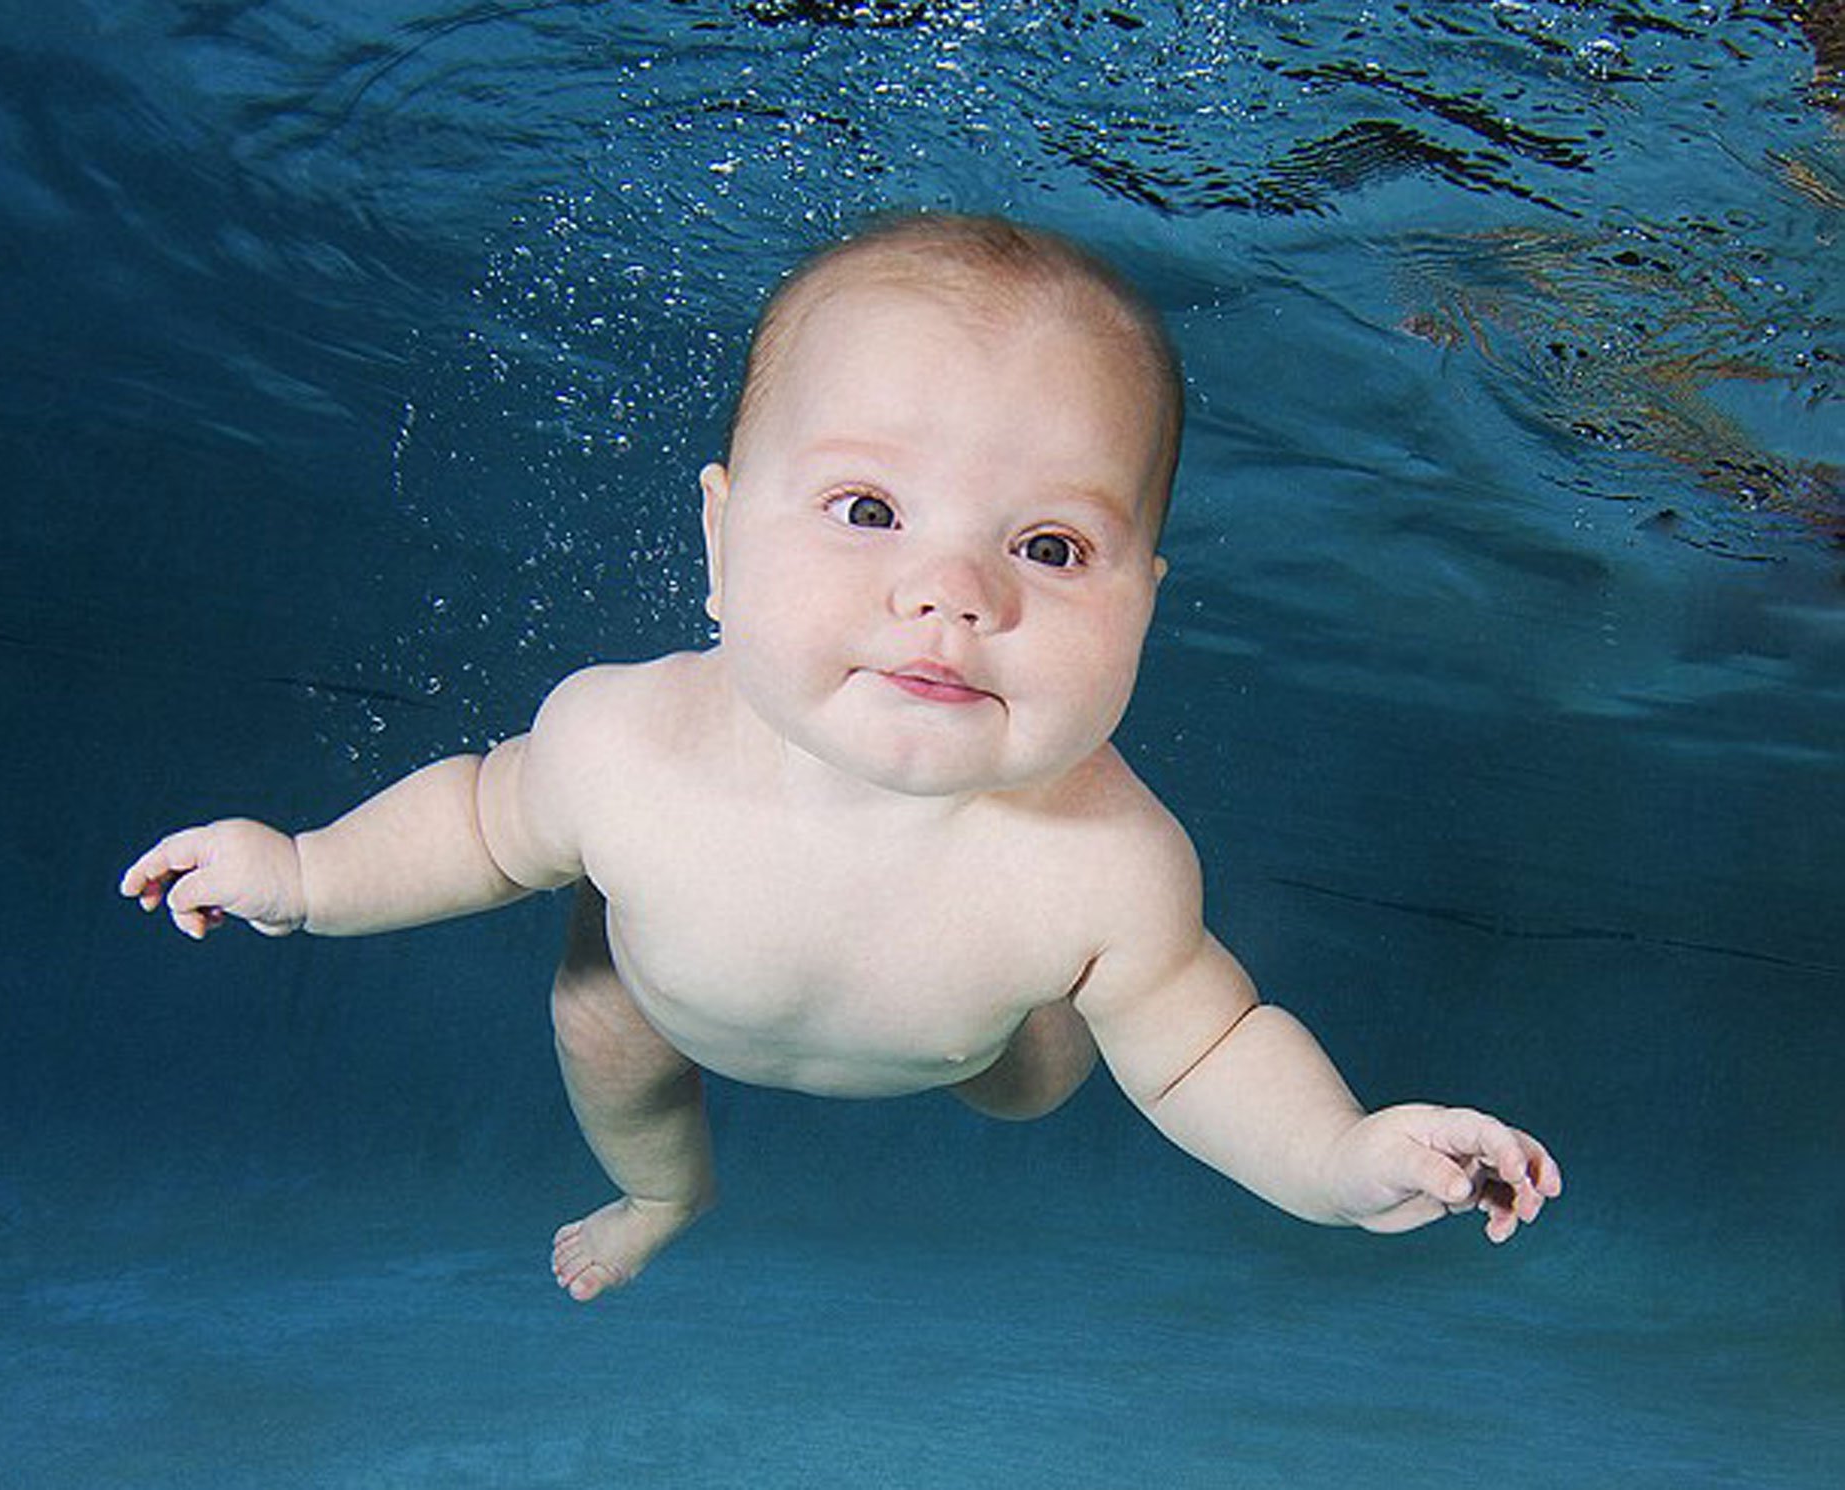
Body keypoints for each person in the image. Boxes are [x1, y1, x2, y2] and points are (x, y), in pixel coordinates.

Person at [121, 213, 1560, 1303]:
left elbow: (1211, 1053)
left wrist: (1337, 1159)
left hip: (969, 1030)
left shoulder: (1114, 866)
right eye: (868, 508)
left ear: (1144, 606)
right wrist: (306, 870)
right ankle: (666, 1198)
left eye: (1049, 546)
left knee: (1044, 1069)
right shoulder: (622, 741)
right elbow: (481, 825)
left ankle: (1028, 1031)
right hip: (669, 997)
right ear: (716, 542)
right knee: (598, 1021)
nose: (951, 592)